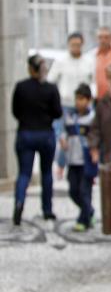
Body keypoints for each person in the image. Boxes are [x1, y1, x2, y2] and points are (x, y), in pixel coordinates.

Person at [12, 55, 63, 226]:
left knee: (24, 173)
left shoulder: (21, 87)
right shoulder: (50, 89)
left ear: (29, 69)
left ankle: (19, 202)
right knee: (46, 173)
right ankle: (47, 209)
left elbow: (15, 111)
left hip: (26, 132)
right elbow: (58, 112)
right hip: (45, 134)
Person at [59, 84, 98, 231]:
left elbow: (97, 136)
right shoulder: (70, 117)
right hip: (72, 160)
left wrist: (95, 151)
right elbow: (64, 132)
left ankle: (83, 220)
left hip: (86, 161)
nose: (78, 102)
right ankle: (89, 211)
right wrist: (63, 140)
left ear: (88, 100)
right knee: (73, 191)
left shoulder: (92, 118)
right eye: (76, 99)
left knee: (84, 190)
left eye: (81, 99)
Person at [47, 32, 94, 112]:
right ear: (68, 44)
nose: (75, 47)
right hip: (65, 104)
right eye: (73, 45)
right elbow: (50, 81)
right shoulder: (60, 61)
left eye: (78, 45)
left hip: (84, 105)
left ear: (82, 44)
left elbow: (94, 82)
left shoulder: (89, 61)